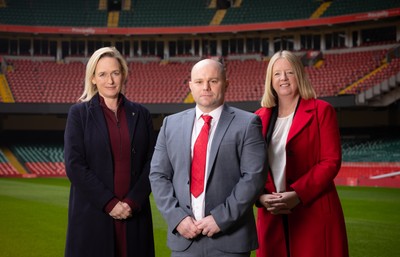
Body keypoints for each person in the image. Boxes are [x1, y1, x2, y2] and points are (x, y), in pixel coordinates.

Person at [149, 58, 267, 257]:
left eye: (213, 81)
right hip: (184, 240)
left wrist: (221, 218)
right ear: (190, 86)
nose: (206, 87)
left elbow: (253, 177)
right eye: (199, 81)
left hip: (229, 239)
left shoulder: (248, 123)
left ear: (226, 84)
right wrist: (177, 219)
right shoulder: (170, 124)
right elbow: (158, 175)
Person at [255, 50, 349, 257]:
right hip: (272, 212)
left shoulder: (321, 110)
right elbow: (251, 166)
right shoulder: (258, 118)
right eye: (277, 74)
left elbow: (330, 161)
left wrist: (298, 194)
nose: (284, 79)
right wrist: (260, 197)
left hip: (313, 208)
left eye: (289, 72)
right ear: (270, 79)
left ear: (300, 74)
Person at [64, 46, 155, 257]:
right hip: (93, 214)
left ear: (123, 74)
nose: (110, 80)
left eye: (115, 73)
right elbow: (74, 165)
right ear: (93, 78)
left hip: (134, 214)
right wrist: (109, 203)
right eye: (102, 74)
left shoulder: (141, 114)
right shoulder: (79, 114)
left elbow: (153, 162)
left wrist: (132, 203)